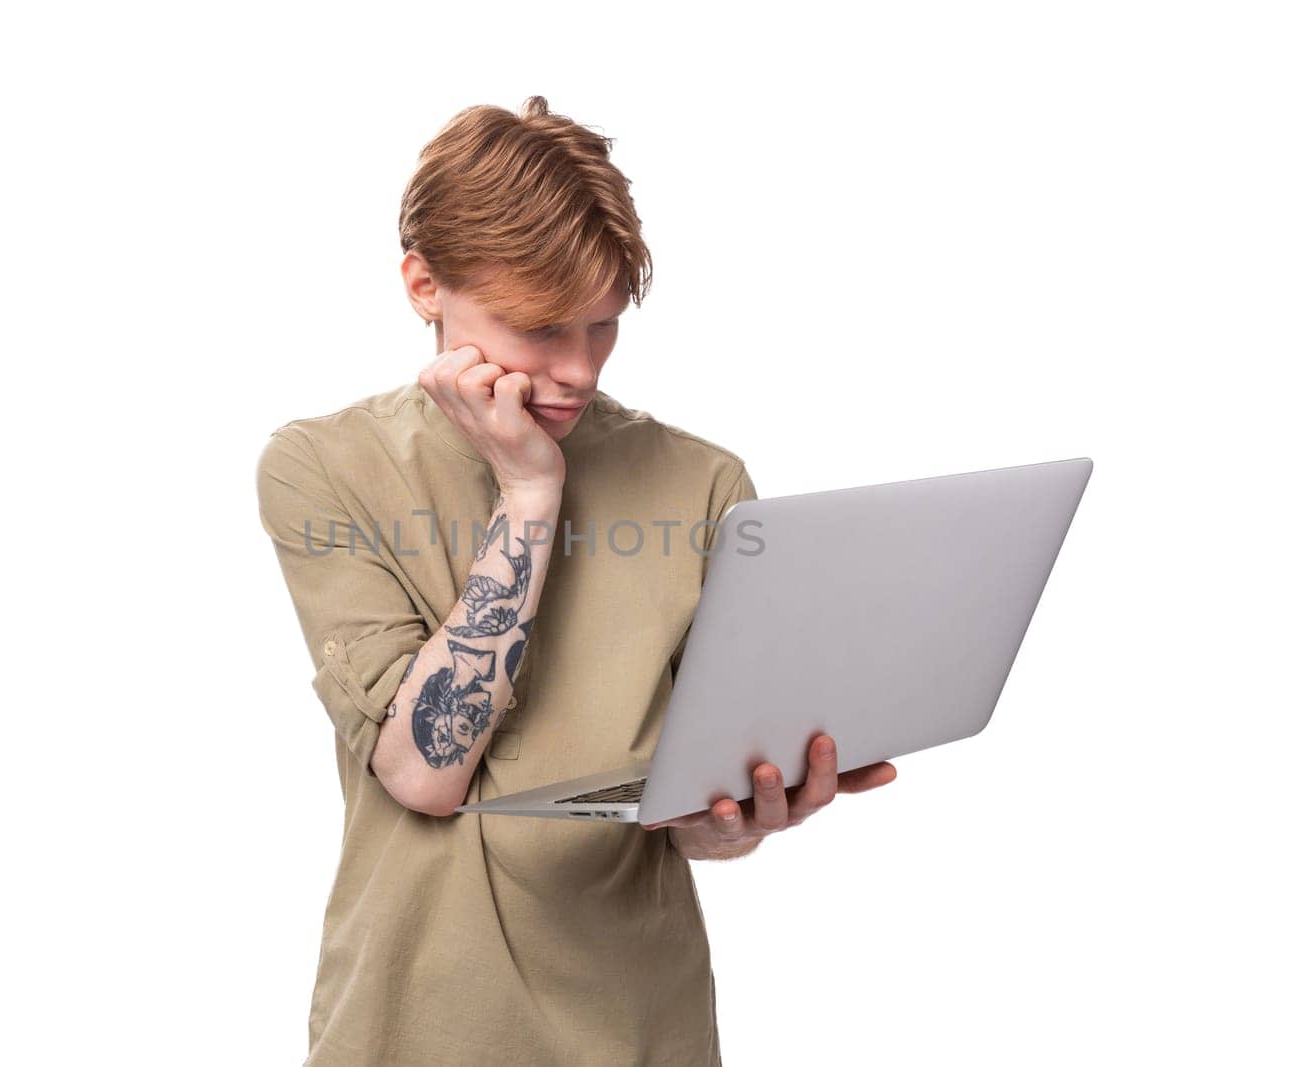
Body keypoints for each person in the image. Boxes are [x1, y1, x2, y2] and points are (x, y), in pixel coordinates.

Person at [256, 95, 898, 1066]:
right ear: (422, 283)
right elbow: (423, 771)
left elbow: (691, 819)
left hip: (638, 1029)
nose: (577, 368)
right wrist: (528, 489)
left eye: (601, 325)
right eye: (538, 326)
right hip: (407, 1030)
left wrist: (735, 821)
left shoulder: (704, 482)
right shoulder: (322, 466)